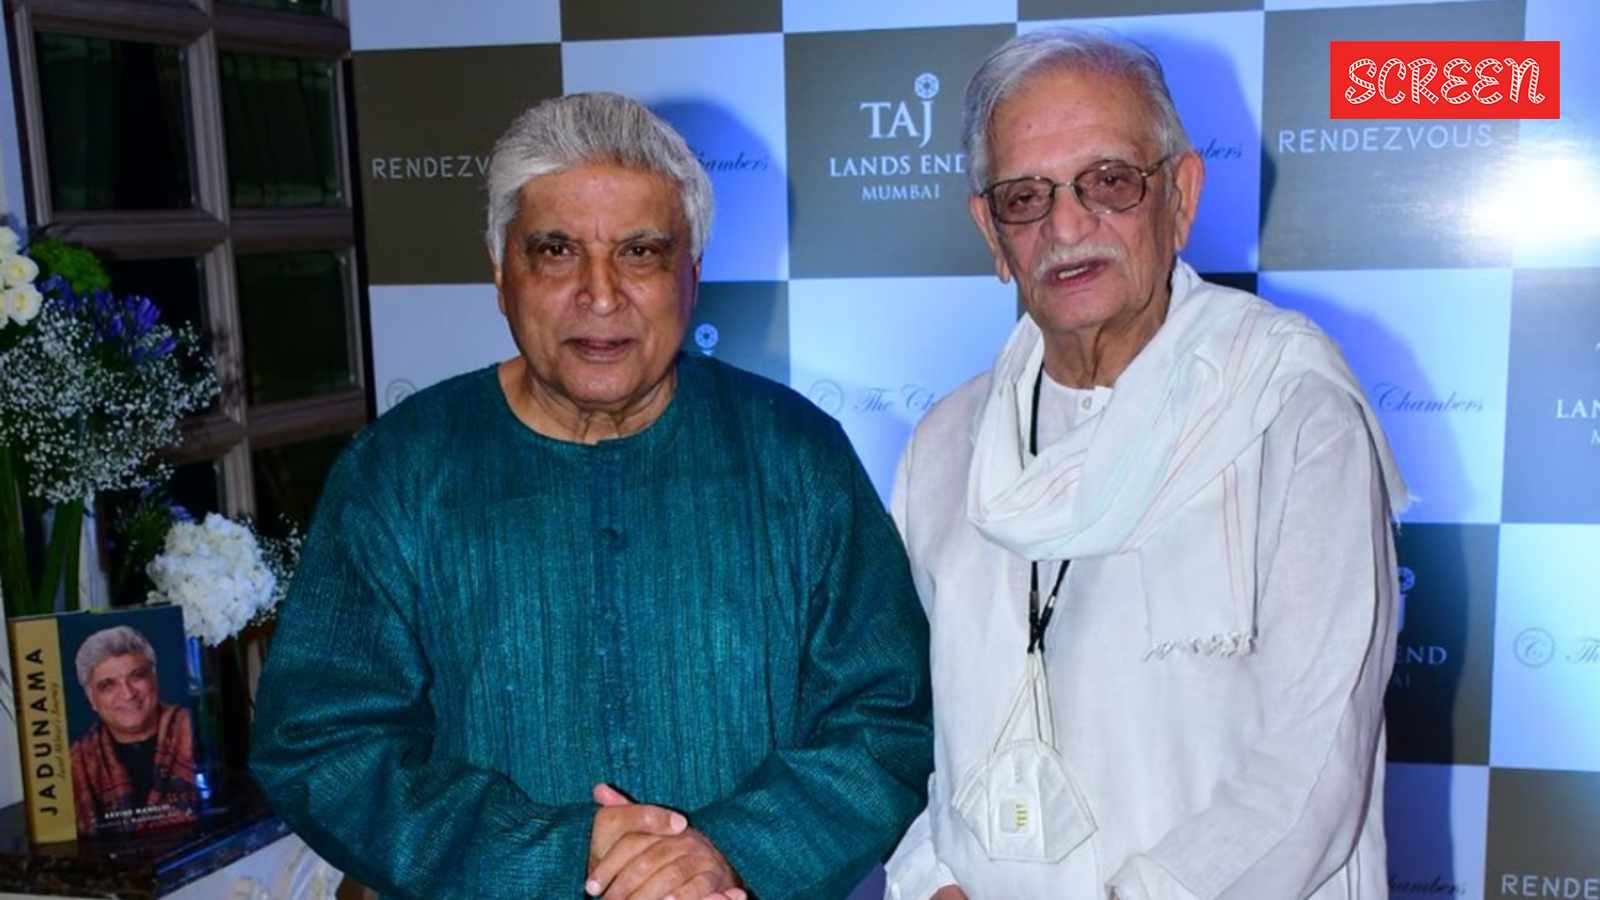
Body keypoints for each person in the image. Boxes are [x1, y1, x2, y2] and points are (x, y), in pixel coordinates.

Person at [251, 92, 934, 900]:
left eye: (641, 252)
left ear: (692, 275)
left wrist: (727, 853)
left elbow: (887, 720)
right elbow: (322, 745)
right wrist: (561, 853)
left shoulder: (796, 456)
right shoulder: (401, 472)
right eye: (556, 251)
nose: (600, 294)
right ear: (501, 273)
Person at [884, 28, 1409, 900]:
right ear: (991, 231)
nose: (1066, 225)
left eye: (1109, 181)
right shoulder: (945, 444)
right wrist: (930, 875)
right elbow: (909, 728)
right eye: (1025, 196)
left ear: (1181, 195)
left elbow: (1314, 769)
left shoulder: (1290, 414)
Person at [70, 625, 197, 835]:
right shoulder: (76, 763)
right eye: (108, 685)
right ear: (92, 699)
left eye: (137, 676)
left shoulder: (194, 730)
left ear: (155, 679)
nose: (128, 694)